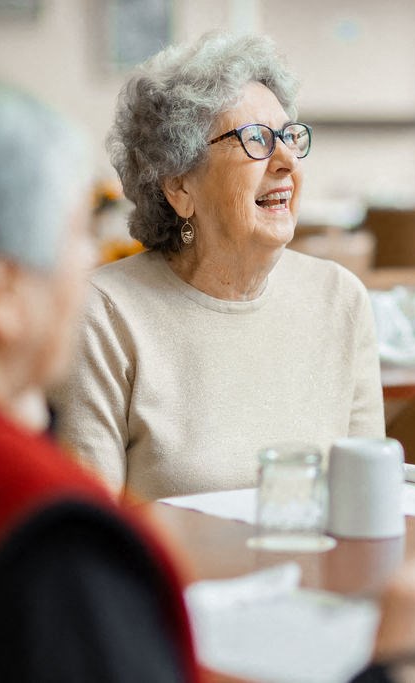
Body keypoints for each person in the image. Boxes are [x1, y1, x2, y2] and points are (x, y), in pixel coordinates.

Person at [0, 69, 415, 682]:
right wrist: (393, 669)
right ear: (0, 295)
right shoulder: (47, 539)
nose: (90, 266)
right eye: (75, 236)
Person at [51, 32, 385, 500]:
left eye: (289, 136)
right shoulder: (101, 316)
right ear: (180, 187)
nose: (287, 160)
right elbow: (88, 535)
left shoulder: (340, 299)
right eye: (255, 140)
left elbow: (368, 504)